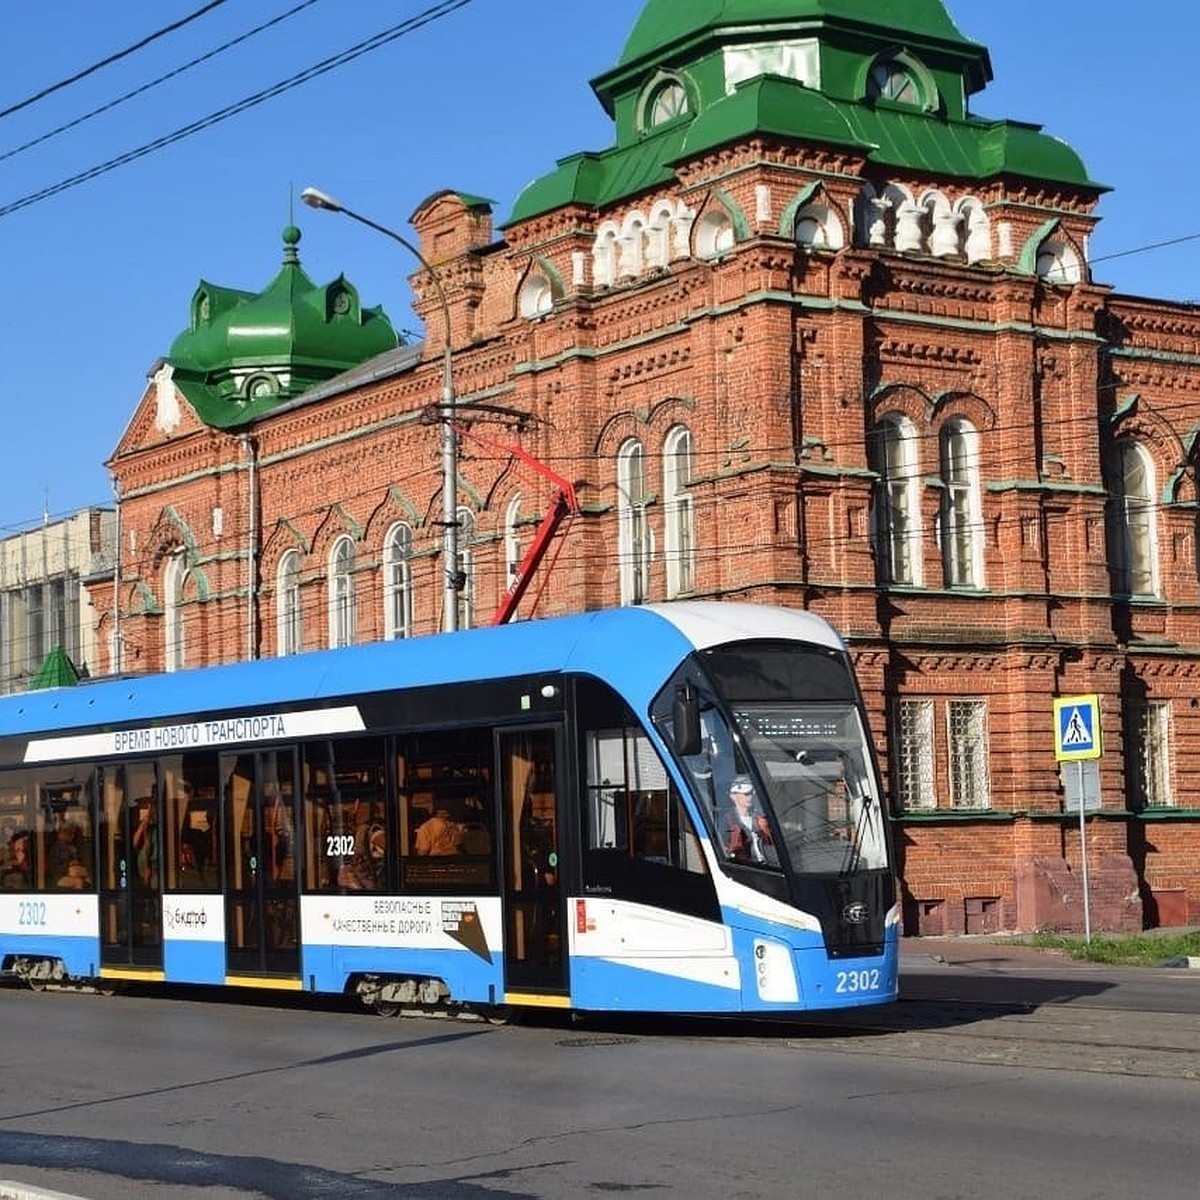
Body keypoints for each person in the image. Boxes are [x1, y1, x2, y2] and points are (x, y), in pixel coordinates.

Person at [723, 776, 773, 865]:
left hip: (768, 865)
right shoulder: (725, 820)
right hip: (743, 868)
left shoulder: (761, 819)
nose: (750, 797)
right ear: (733, 796)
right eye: (746, 794)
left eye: (751, 794)